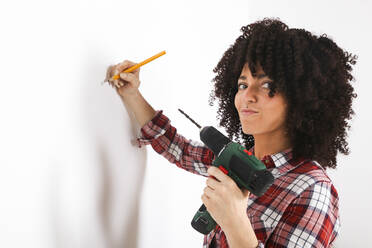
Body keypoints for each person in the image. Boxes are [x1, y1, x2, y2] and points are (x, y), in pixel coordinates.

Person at [104, 18, 357, 247]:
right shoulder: (239, 161)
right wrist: (132, 93)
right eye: (243, 84)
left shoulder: (313, 189)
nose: (247, 96)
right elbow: (178, 149)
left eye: (268, 85)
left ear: (303, 98)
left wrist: (236, 222)